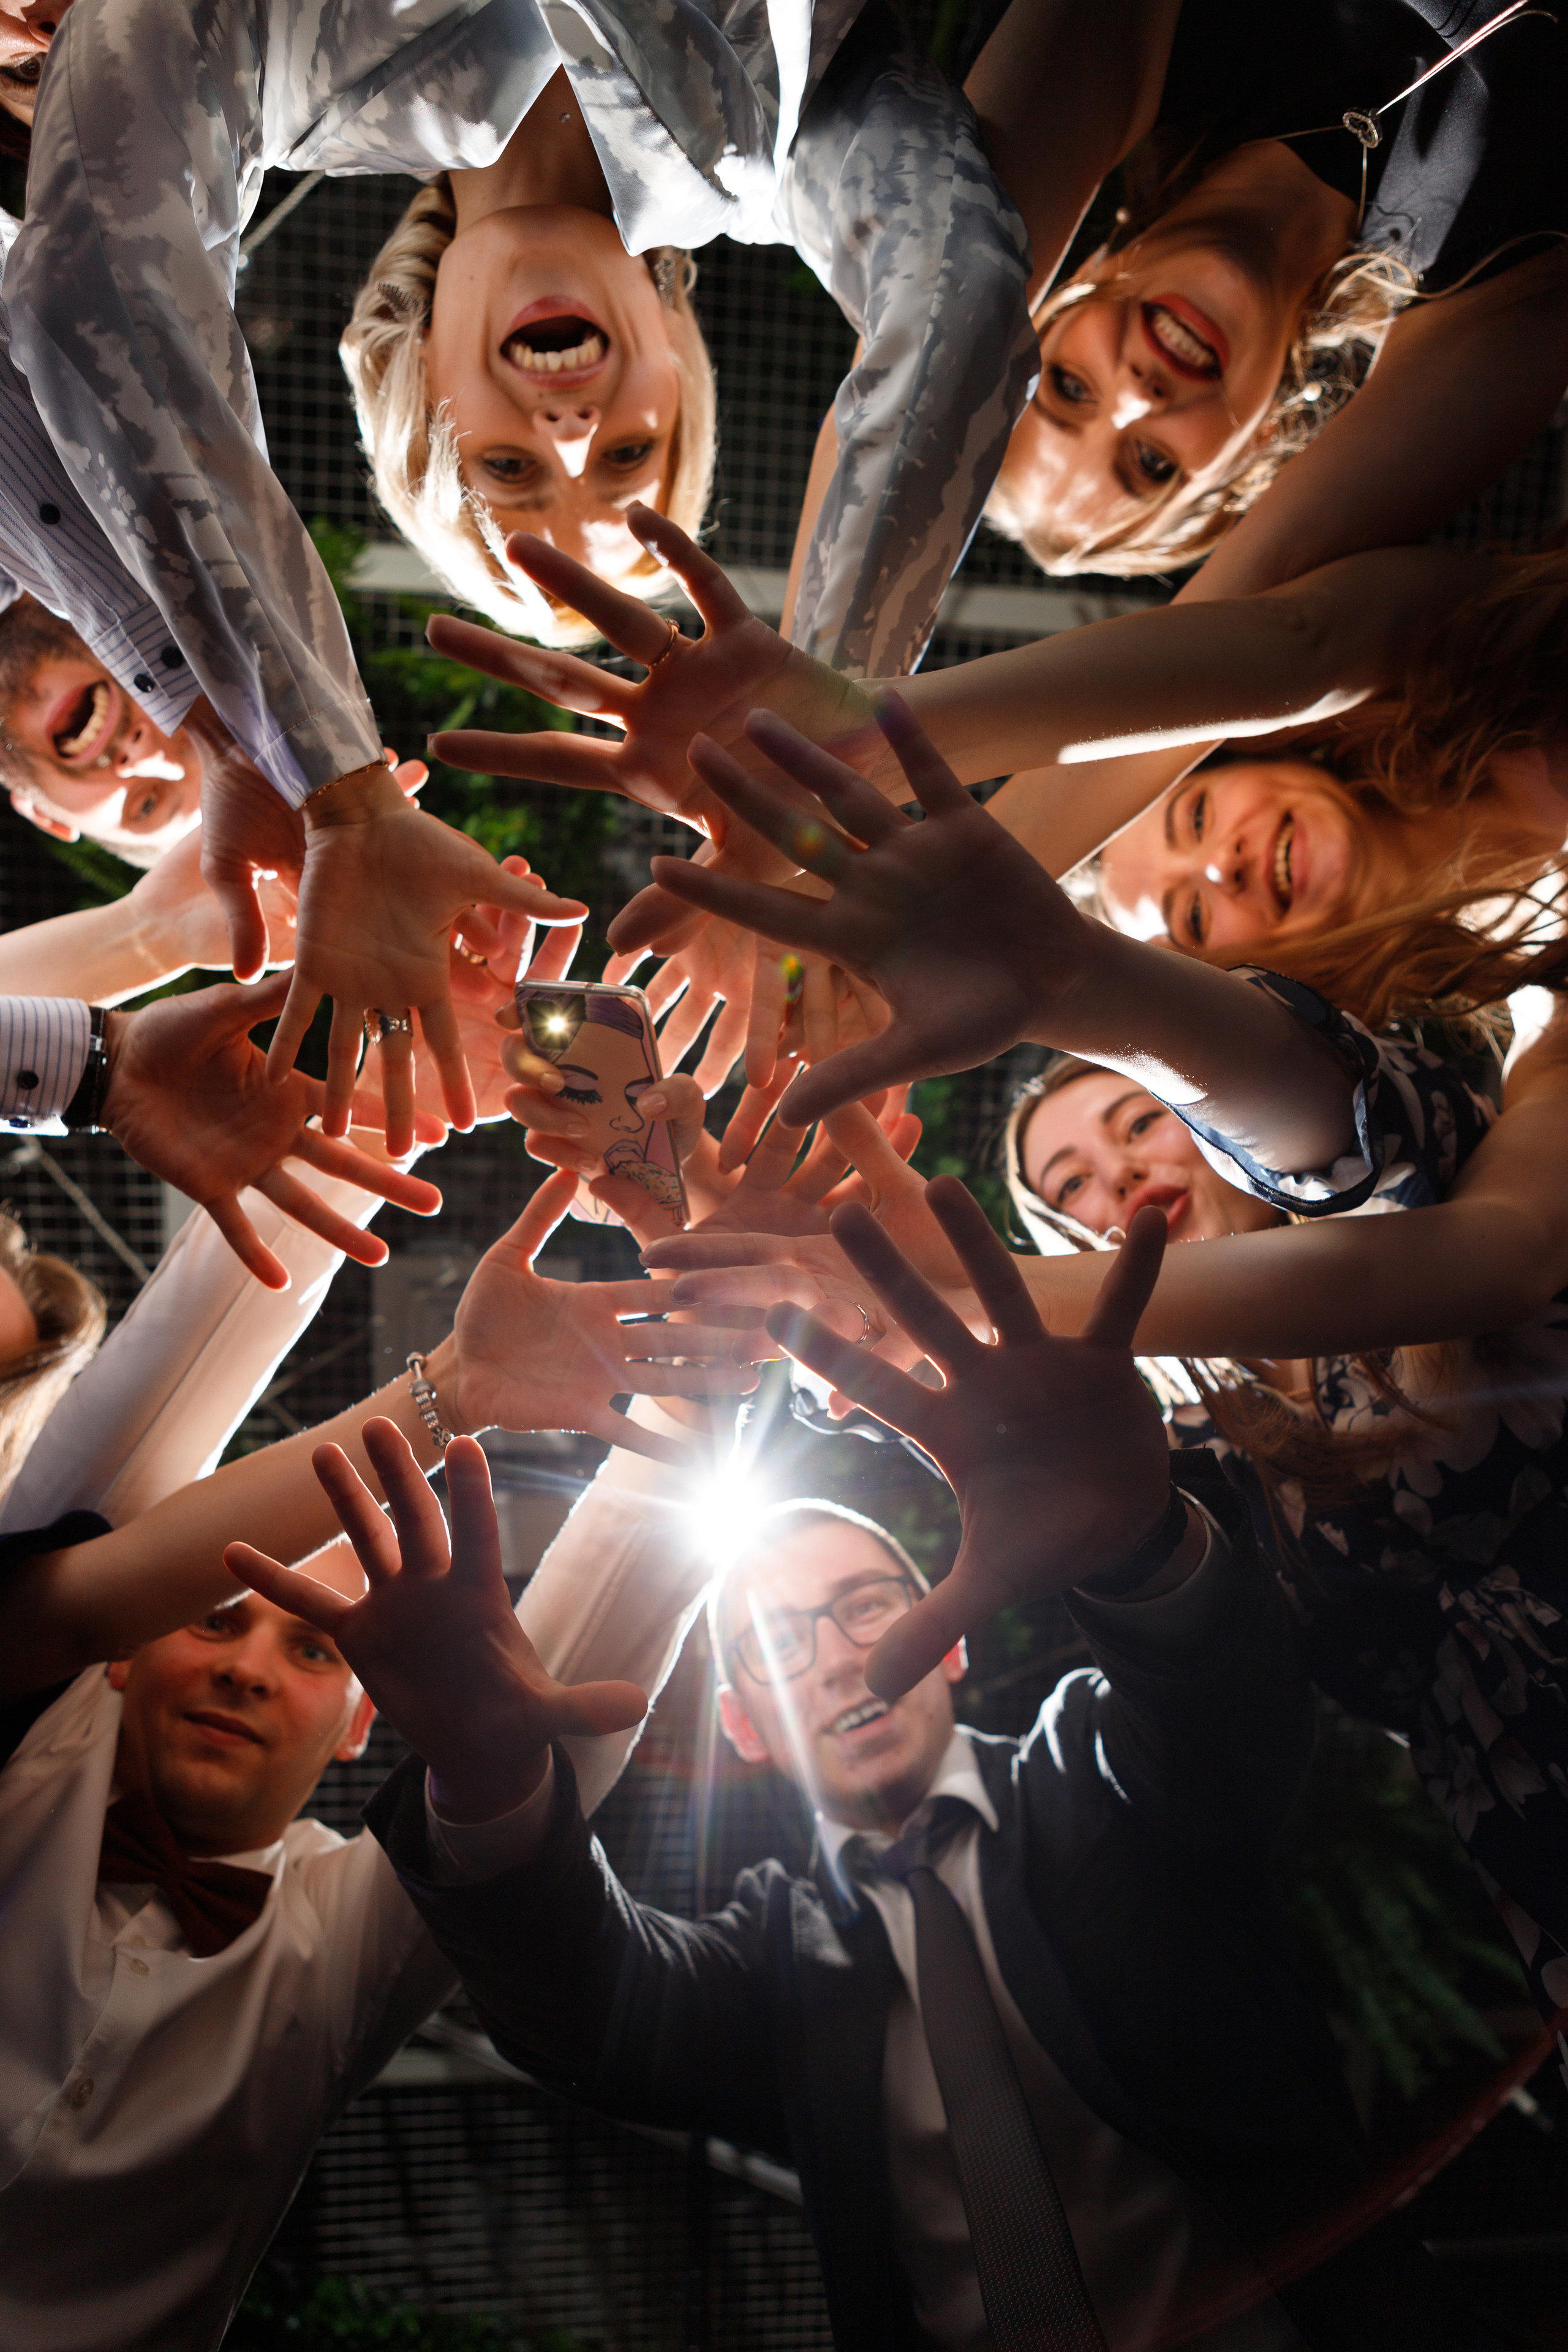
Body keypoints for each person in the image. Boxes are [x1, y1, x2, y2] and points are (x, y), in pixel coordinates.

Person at [250, 1186, 1476, 2349]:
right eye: (776, 1642)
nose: (834, 1660)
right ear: (742, 1726)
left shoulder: (1093, 1784)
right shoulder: (776, 1960)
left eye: (863, 1607)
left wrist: (1134, 1542)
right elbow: (591, 2016)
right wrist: (483, 1783)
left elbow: (1215, 1715)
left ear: (943, 1642)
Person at [0, 1172, 750, 2348]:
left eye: (312, 1646)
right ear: (124, 1655)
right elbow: (94, 1503)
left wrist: (716, 1374)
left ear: (360, 1723)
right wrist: (313, 1160)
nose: (247, 1668)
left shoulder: (335, 1946)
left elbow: (540, 1708)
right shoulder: (29, 1755)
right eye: (210, 1617)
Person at [975, 0, 1568, 586]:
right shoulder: (1477, 284)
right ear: (1250, 455)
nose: (1136, 396)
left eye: (1069, 386)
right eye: (1153, 464)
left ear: (1069, 282)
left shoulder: (1157, 44)